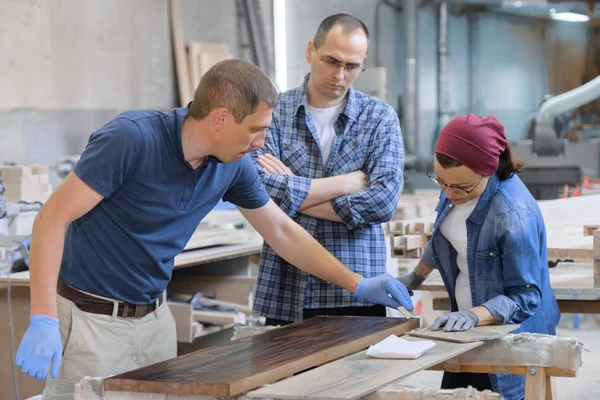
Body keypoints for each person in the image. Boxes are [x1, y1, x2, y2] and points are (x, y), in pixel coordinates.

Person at [14, 59, 413, 399]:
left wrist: (357, 283)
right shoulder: (131, 139)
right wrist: (44, 317)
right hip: (88, 322)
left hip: (155, 320)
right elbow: (52, 219)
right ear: (221, 118)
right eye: (255, 129)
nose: (260, 143)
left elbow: (282, 231)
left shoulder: (232, 165)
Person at [251, 14, 406, 325]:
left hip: (358, 290)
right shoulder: (273, 113)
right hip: (287, 290)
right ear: (310, 50)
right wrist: (345, 184)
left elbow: (383, 203)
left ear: (363, 63)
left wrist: (293, 187)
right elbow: (259, 191)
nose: (339, 74)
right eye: (331, 61)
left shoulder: (379, 118)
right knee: (287, 376)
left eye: (351, 66)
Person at [398, 113, 560, 400]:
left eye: (459, 187)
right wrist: (415, 276)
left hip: (511, 333)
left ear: (488, 170)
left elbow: (526, 296)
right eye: (441, 182)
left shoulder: (512, 215)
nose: (448, 194)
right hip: (466, 328)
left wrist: (474, 315)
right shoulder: (455, 183)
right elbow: (443, 239)